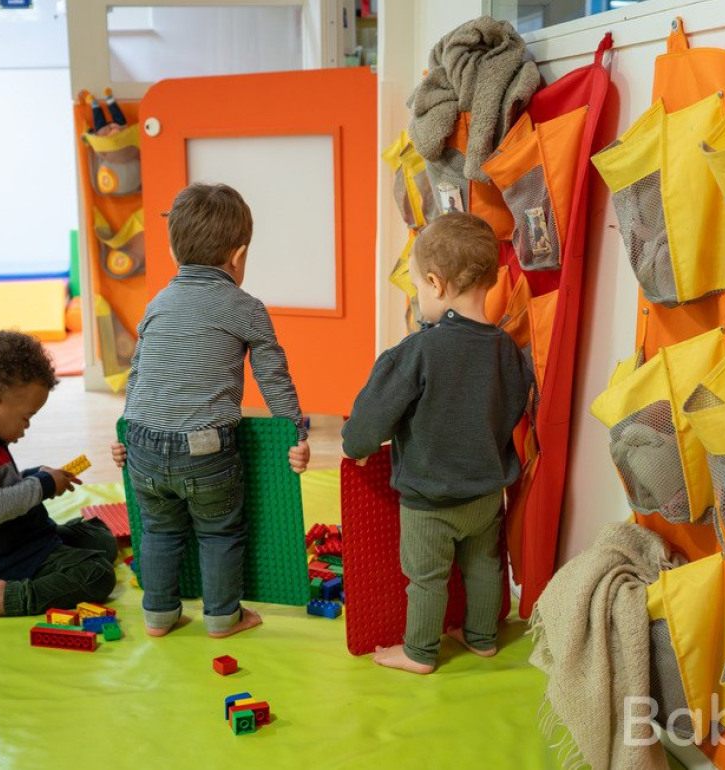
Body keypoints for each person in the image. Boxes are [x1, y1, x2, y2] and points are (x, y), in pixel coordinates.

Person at [110, 183, 310, 639]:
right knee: (219, 531)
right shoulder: (246, 308)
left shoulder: (157, 305)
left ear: (173, 251)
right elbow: (273, 377)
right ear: (238, 256)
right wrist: (295, 433)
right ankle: (222, 617)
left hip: (142, 442)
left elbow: (138, 373)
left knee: (160, 531)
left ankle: (159, 615)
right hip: (205, 450)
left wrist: (124, 433)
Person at [342, 212, 535, 674]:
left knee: (426, 578)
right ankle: (483, 638)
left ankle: (419, 651)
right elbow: (512, 408)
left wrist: (354, 445)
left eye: (417, 287)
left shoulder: (417, 352)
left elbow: (367, 425)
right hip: (486, 496)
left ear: (436, 283)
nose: (417, 296)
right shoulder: (508, 350)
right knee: (484, 567)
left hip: (428, 502)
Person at [0, 330, 118, 619]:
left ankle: (61, 558)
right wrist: (43, 484)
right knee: (98, 575)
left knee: (101, 539)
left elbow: (0, 485)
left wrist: (37, 475)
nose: (27, 427)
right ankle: (7, 598)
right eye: (26, 417)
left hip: (28, 540)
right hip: (6, 561)